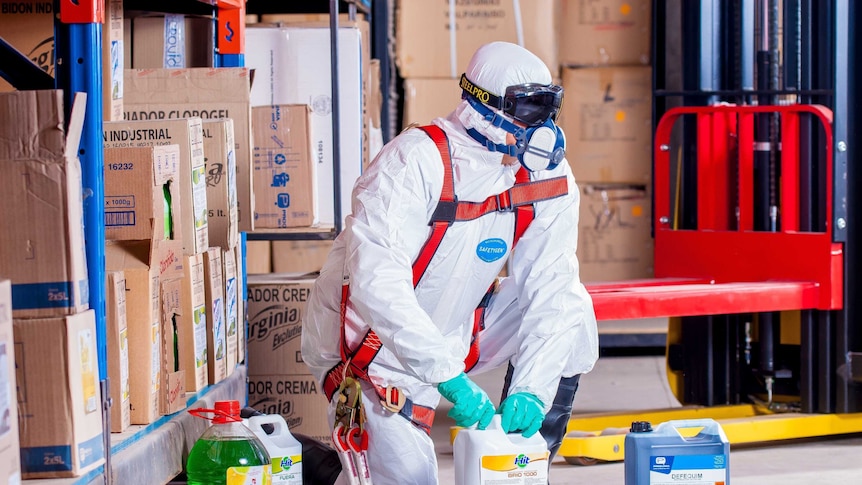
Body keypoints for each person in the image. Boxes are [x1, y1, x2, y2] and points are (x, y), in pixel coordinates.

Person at [301, 41, 599, 484]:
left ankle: (529, 457)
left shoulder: (546, 175)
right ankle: (316, 466)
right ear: (484, 106)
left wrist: (533, 390)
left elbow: (551, 285)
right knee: (411, 478)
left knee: (573, 305)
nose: (543, 127)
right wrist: (447, 378)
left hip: (458, 329)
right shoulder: (412, 162)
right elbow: (377, 285)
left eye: (547, 109)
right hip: (372, 354)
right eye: (528, 109)